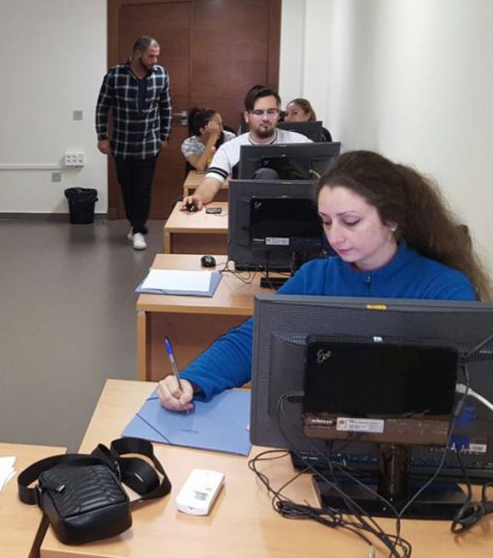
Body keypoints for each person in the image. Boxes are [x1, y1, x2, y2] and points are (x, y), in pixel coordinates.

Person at [158, 150, 490, 412]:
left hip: (412, 455)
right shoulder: (316, 277)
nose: (335, 236)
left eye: (350, 221)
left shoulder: (445, 290)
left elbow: (461, 395)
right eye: (327, 222)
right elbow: (254, 339)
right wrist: (192, 380)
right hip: (325, 440)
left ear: (393, 219)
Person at [96, 35, 172, 251]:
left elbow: (166, 106)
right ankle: (134, 223)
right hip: (122, 143)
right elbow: (102, 107)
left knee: (143, 188)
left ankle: (139, 229)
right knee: (127, 186)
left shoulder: (161, 74)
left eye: (157, 56)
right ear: (137, 54)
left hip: (149, 143)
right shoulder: (115, 75)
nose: (155, 61)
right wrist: (102, 136)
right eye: (151, 56)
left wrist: (164, 135)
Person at [182, 86, 311, 211]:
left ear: (278, 114)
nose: (265, 118)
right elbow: (212, 181)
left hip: (295, 214)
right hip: (248, 216)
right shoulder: (229, 148)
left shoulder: (301, 142)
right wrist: (198, 197)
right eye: (258, 112)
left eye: (271, 112)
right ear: (247, 116)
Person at [180, 107, 235, 172]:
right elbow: (200, 167)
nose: (222, 129)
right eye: (218, 125)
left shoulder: (229, 138)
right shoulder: (189, 144)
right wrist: (213, 137)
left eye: (221, 124)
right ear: (202, 130)